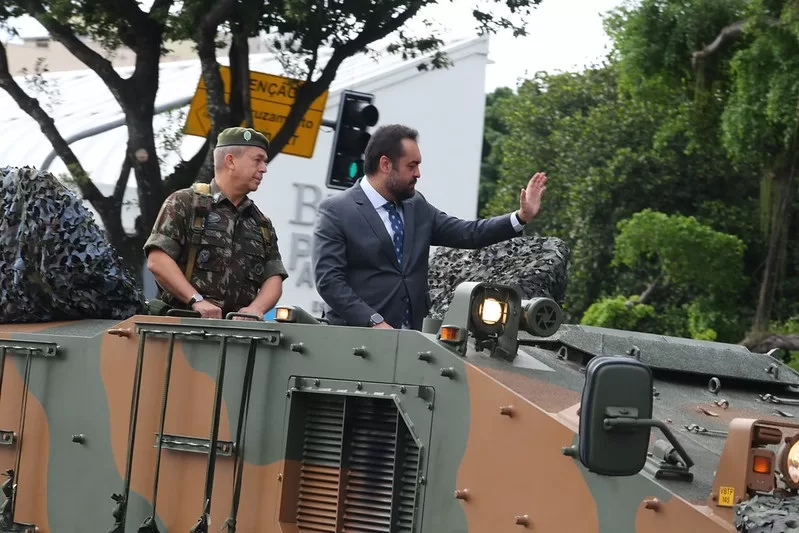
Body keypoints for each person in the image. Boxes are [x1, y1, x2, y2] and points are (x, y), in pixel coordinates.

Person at [311, 123, 547, 330]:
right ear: (385, 164)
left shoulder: (417, 206)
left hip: (412, 340)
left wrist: (520, 216)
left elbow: (469, 234)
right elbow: (329, 281)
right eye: (411, 166)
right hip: (354, 340)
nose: (418, 173)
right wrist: (373, 321)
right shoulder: (337, 210)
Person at [144, 126, 288, 320]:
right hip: (182, 330)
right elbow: (158, 261)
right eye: (257, 160)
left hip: (239, 337)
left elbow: (274, 277)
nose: (264, 168)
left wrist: (256, 309)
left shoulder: (260, 223)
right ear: (230, 161)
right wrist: (196, 300)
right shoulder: (185, 203)